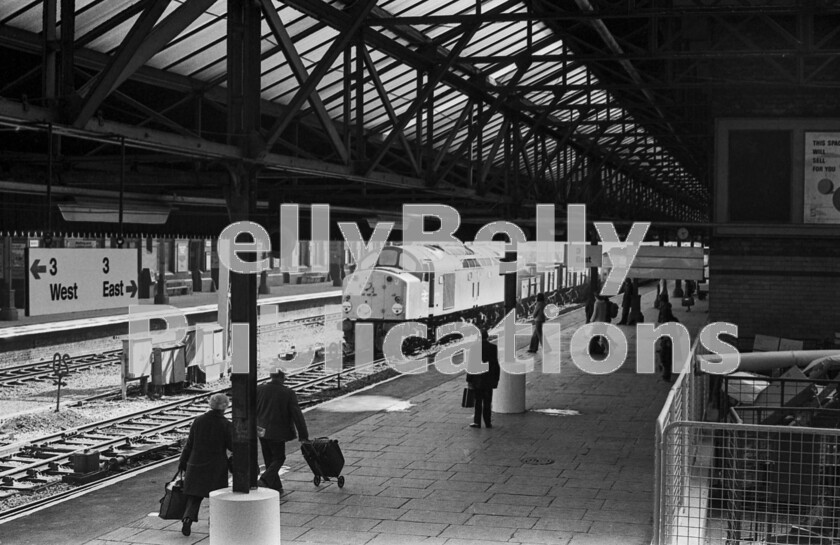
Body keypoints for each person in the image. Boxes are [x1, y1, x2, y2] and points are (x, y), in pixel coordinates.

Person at [178, 393, 233, 537]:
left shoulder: (198, 421)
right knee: (217, 496)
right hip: (216, 466)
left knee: (195, 495)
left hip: (196, 463)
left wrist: (183, 462)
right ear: (225, 407)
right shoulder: (225, 424)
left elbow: (189, 444)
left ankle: (188, 518)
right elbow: (232, 446)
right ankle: (214, 522)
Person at [256, 369, 309, 492]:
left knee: (269, 458)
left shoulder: (259, 389)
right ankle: (264, 480)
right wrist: (303, 436)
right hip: (277, 431)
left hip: (261, 429)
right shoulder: (288, 392)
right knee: (279, 458)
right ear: (283, 377)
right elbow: (297, 415)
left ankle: (276, 486)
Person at [466, 329, 501, 428]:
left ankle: (477, 422)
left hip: (477, 379)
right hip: (489, 379)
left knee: (478, 402)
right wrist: (496, 378)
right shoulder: (493, 347)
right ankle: (488, 422)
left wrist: (469, 380)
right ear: (487, 337)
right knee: (487, 402)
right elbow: (495, 364)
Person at [657, 295, 680, 382]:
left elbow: (665, 320)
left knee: (665, 355)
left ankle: (666, 375)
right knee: (666, 354)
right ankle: (666, 373)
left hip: (667, 335)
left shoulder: (665, 309)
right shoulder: (665, 308)